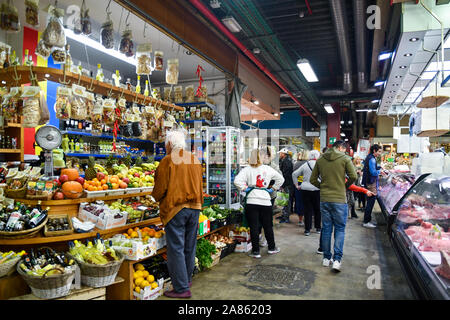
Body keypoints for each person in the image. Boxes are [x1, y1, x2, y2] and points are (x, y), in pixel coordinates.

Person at [152, 129, 203, 298]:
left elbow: (160, 189)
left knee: (176, 249)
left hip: (176, 208)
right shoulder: (194, 159)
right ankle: (185, 280)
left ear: (169, 144)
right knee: (189, 246)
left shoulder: (167, 160)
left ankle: (181, 289)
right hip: (195, 208)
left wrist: (155, 198)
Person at [310, 140, 357, 272]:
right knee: (340, 229)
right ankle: (337, 260)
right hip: (339, 199)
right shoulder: (345, 159)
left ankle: (326, 258)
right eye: (344, 149)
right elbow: (353, 176)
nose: (345, 151)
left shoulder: (320, 160)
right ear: (341, 147)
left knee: (326, 229)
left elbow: (313, 180)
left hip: (324, 199)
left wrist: (323, 187)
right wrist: (344, 186)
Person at [234, 149, 284, 259]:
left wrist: (245, 188)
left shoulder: (247, 169)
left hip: (252, 200)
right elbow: (281, 179)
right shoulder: (267, 169)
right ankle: (272, 248)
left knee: (254, 226)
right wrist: (273, 188)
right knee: (268, 226)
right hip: (265, 200)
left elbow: (237, 181)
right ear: (261, 157)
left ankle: (256, 251)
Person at [292, 150, 321, 236]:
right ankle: (318, 228)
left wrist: (297, 185)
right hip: (317, 189)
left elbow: (294, 174)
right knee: (317, 209)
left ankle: (307, 229)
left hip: (305, 189)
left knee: (307, 210)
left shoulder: (305, 165)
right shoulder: (320, 165)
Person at [362, 144, 384, 229]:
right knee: (370, 202)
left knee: (370, 202)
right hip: (370, 183)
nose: (379, 153)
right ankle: (366, 221)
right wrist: (380, 171)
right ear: (374, 150)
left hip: (369, 182)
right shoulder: (371, 159)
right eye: (379, 151)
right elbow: (373, 172)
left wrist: (379, 167)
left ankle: (367, 220)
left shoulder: (370, 157)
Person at [278, 148, 294, 223]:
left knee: (287, 201)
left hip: (287, 184)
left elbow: (286, 175)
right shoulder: (286, 161)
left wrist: (283, 185)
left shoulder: (286, 162)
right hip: (287, 183)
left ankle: (286, 217)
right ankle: (284, 215)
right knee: (285, 200)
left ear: (283, 154)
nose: (279, 155)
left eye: (280, 153)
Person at [293, 150, 308, 226]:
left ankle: (300, 220)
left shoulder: (296, 164)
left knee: (299, 201)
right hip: (307, 184)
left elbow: (293, 175)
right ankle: (307, 219)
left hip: (298, 184)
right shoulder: (309, 164)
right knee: (308, 202)